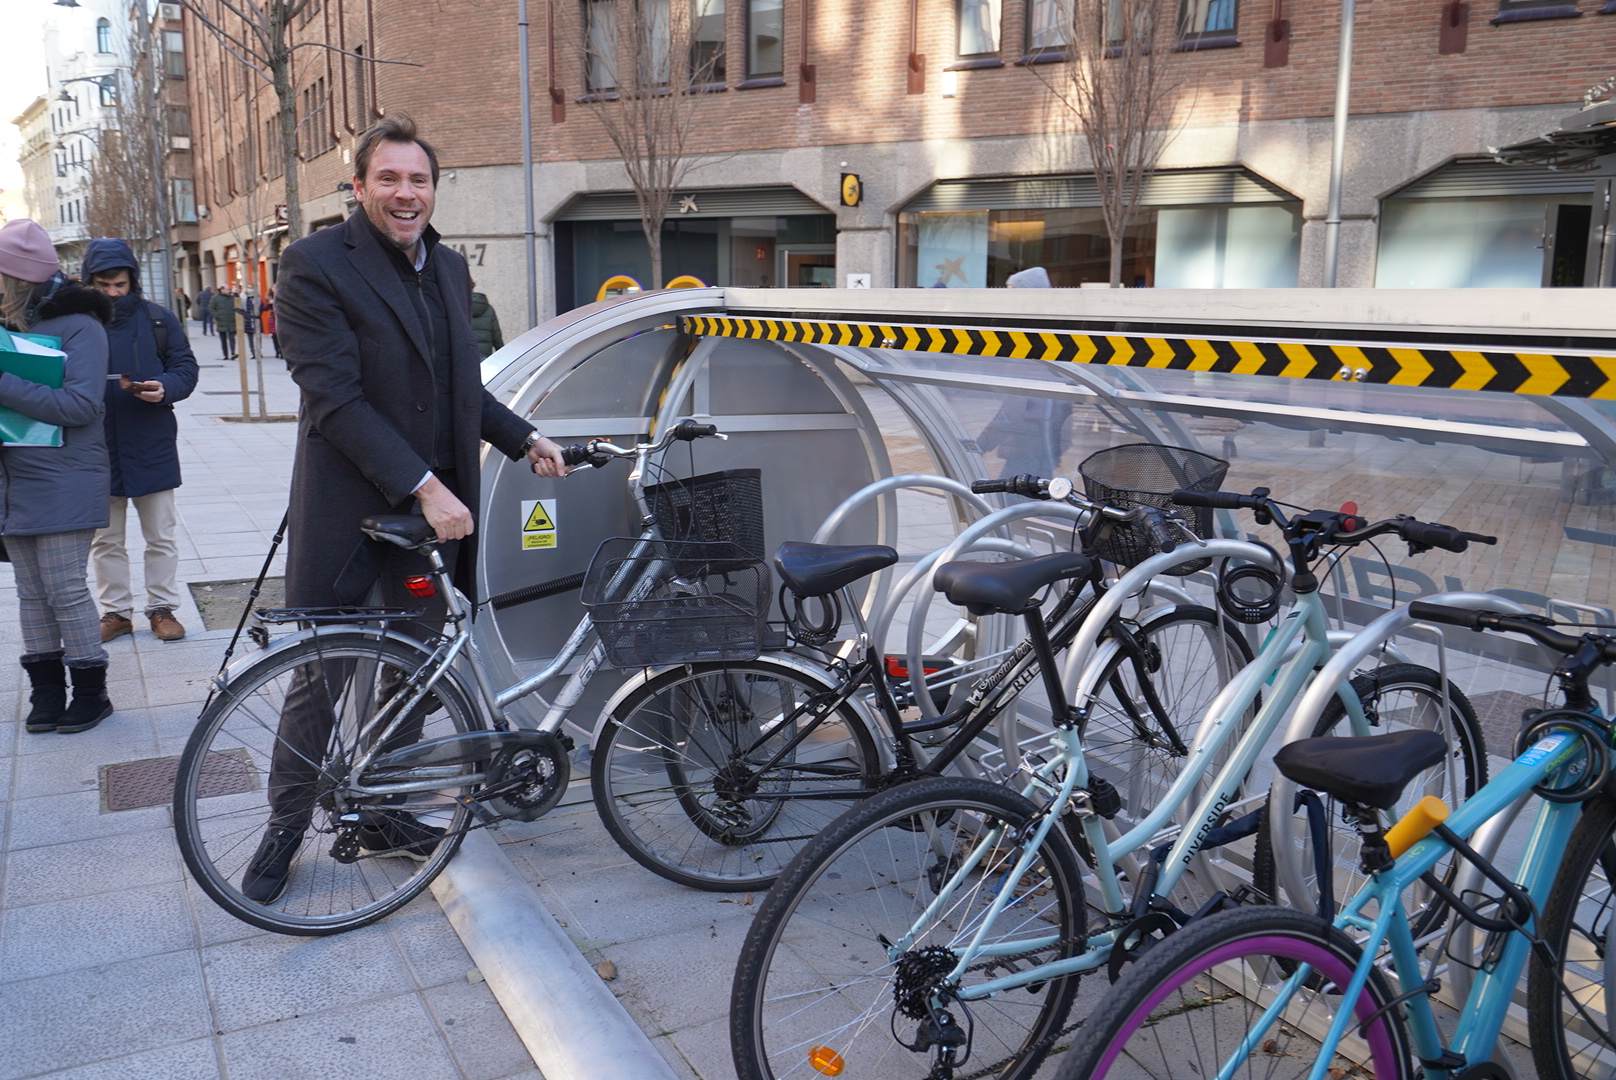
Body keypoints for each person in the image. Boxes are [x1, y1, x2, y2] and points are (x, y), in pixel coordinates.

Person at [241, 113, 569, 904]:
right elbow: (335, 398)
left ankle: (384, 811)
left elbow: (461, 387)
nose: (405, 192)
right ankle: (285, 825)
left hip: (432, 519)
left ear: (433, 189)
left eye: (418, 179)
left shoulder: (448, 268)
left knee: (418, 667)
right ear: (359, 187)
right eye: (388, 178)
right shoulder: (314, 263)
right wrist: (423, 483)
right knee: (324, 672)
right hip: (353, 511)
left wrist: (525, 437)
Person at [0, 219, 117, 735]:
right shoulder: (7, 322)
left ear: (16, 277)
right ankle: (46, 693)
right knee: (30, 592)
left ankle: (91, 694)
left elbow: (81, 405)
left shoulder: (79, 325)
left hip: (65, 476)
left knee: (65, 588)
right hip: (12, 478)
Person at [82, 238, 200, 644]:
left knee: (160, 535)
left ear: (132, 279)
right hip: (96, 445)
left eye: (120, 284)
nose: (113, 293)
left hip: (151, 440)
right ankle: (116, 612)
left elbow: (185, 366)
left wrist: (165, 387)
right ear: (89, 282)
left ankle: (162, 608)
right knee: (105, 539)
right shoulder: (79, 323)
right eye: (103, 285)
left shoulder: (158, 319)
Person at [468, 281, 503, 358]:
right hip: (486, 356)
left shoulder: (461, 308)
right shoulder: (489, 309)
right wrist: (502, 354)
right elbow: (496, 336)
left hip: (467, 355)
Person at [210, 286, 237, 360]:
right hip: (221, 321)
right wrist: (217, 316)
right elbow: (211, 308)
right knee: (223, 340)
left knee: (232, 338)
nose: (229, 291)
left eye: (229, 289)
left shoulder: (232, 298)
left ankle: (233, 353)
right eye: (227, 289)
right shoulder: (215, 298)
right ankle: (225, 355)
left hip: (231, 321)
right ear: (222, 290)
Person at [238, 288, 260, 359]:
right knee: (252, 338)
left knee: (254, 338)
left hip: (252, 320)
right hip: (250, 321)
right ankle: (254, 351)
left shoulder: (257, 300)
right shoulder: (245, 300)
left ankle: (256, 351)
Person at [261, 287, 278, 358]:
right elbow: (265, 308)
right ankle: (277, 351)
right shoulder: (269, 297)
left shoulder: (281, 295)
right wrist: (269, 303)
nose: (274, 288)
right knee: (274, 335)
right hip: (273, 317)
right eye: (273, 287)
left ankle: (281, 351)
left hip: (280, 316)